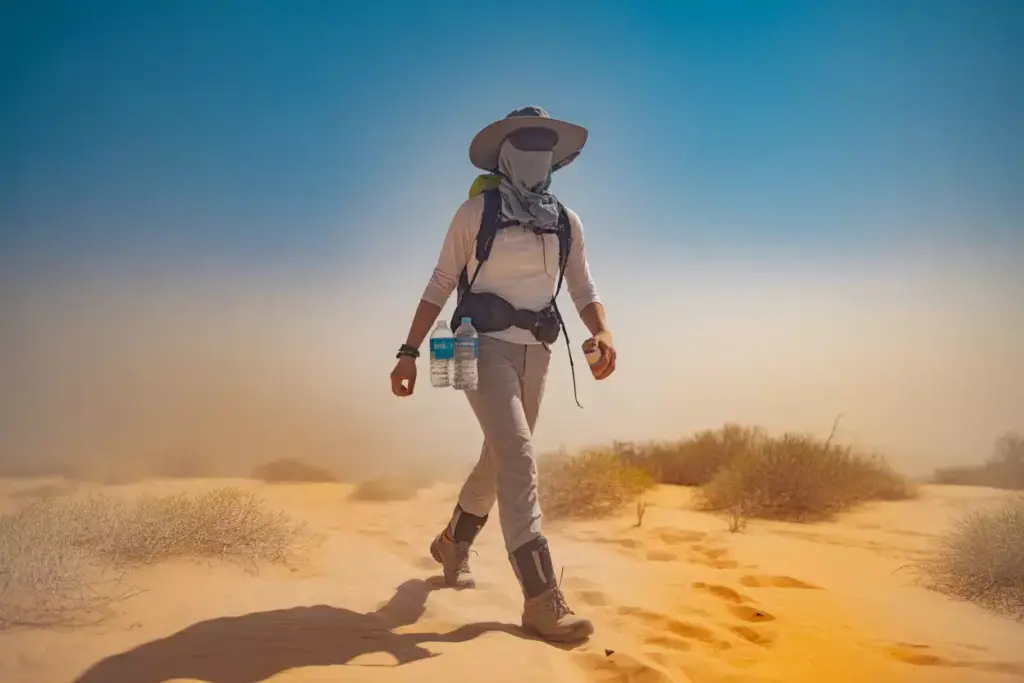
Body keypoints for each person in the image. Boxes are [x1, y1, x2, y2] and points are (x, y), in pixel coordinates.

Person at [389, 106, 617, 644]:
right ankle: (541, 599)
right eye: (527, 140)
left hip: (536, 351)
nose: (537, 150)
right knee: (517, 456)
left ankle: (452, 542)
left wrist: (603, 332)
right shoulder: (476, 212)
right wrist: (408, 352)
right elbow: (442, 281)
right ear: (508, 151)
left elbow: (584, 290)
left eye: (545, 141)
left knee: (500, 456)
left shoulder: (566, 221)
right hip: (473, 346)